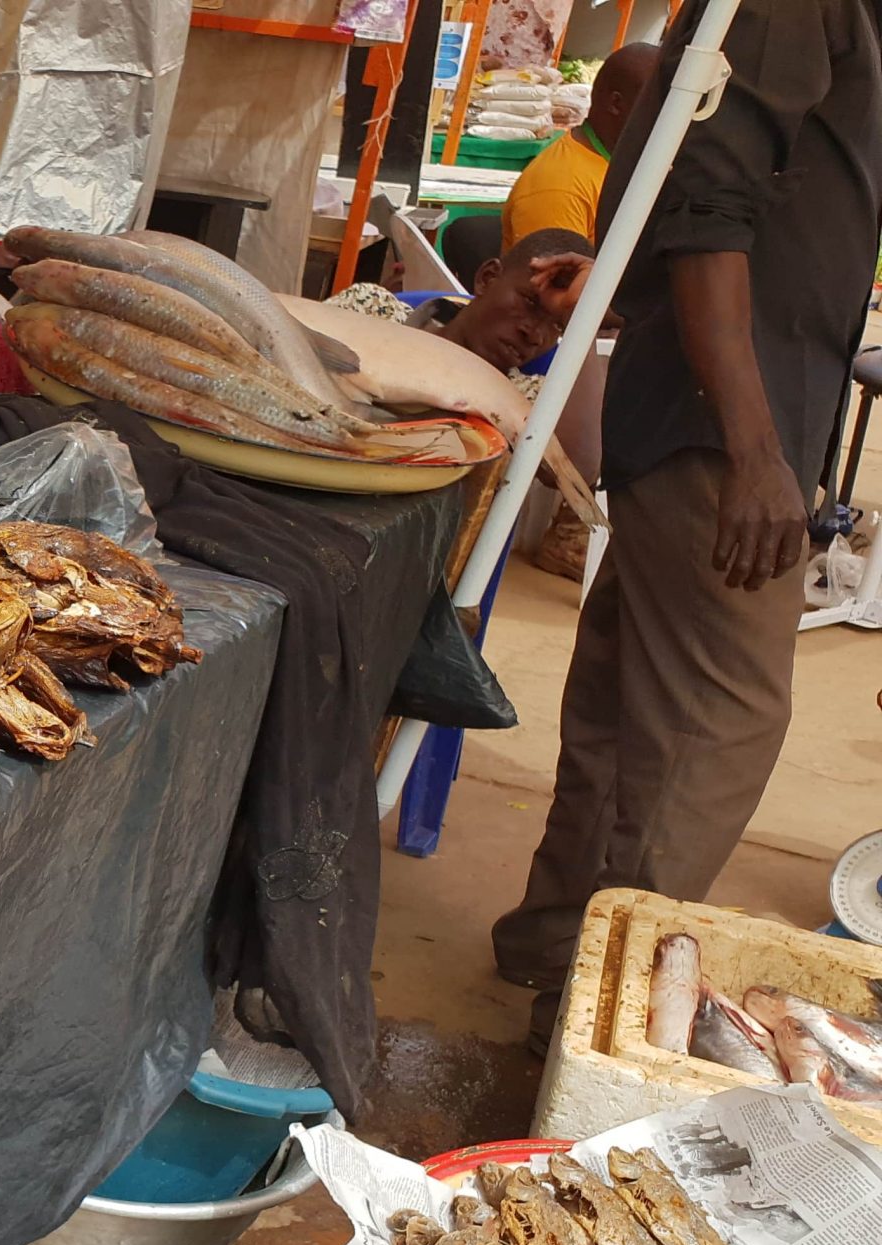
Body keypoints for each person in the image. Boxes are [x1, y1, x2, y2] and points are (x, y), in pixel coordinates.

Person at [492, 0, 882, 1048]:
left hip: (713, 410)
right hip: (727, 428)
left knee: (628, 710)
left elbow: (685, 171)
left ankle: (551, 951)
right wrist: (757, 452)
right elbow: (706, 209)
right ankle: (595, 1010)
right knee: (718, 724)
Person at [329, 226, 595, 385]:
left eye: (559, 325)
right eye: (529, 302)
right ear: (487, 278)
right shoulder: (371, 309)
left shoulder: (523, 400)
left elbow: (581, 466)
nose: (535, 335)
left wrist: (586, 315)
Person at [500, 43, 661, 249]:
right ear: (616, 104)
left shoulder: (628, 161)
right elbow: (555, 279)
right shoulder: (561, 187)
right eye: (659, 104)